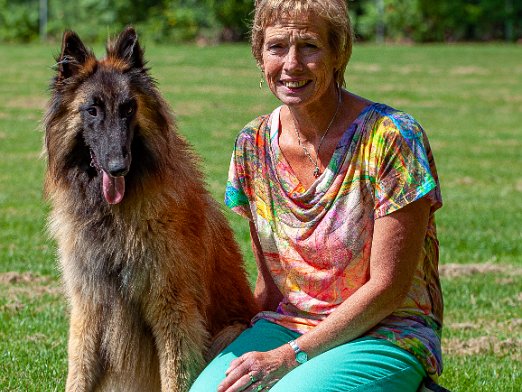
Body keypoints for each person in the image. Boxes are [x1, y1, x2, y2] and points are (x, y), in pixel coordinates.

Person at [190, 0, 443, 391]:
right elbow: (272, 285)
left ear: (338, 52)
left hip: (383, 329)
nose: (291, 64)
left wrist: (289, 359)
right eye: (276, 47)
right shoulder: (252, 144)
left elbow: (389, 288)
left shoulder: (392, 137)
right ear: (259, 55)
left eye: (309, 46)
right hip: (288, 325)